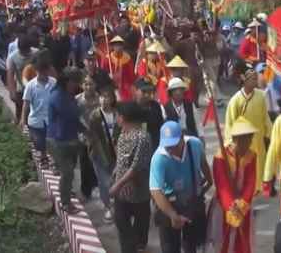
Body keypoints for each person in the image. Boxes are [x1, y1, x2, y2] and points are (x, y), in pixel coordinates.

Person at [150, 121, 213, 253]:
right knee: (170, 247)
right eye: (167, 146)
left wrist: (209, 180)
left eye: (173, 145)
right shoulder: (159, 158)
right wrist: (173, 215)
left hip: (191, 203)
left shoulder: (195, 144)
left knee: (192, 245)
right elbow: (156, 191)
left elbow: (203, 163)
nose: (170, 149)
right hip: (169, 205)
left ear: (182, 138)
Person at [208, 118, 258, 253]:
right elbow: (222, 185)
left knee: (243, 243)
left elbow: (250, 182)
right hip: (225, 208)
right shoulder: (220, 157)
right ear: (236, 139)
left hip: (243, 207)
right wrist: (231, 206)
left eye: (250, 138)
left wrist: (242, 204)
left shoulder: (251, 155)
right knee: (223, 243)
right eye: (246, 139)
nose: (249, 143)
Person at [110, 102, 151, 253]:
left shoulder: (142, 137)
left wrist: (118, 184)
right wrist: (116, 170)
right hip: (122, 192)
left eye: (117, 116)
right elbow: (122, 159)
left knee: (140, 227)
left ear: (123, 117)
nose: (116, 119)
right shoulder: (123, 134)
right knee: (121, 224)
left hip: (138, 192)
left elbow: (136, 166)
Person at [225, 68, 272, 192]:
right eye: (252, 79)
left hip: (258, 138)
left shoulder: (260, 96)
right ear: (244, 80)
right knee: (245, 166)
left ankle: (257, 187)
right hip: (243, 140)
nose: (255, 82)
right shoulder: (235, 101)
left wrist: (269, 133)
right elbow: (230, 123)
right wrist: (230, 141)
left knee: (259, 163)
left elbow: (265, 116)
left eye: (256, 79)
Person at [47, 67, 84, 214]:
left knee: (69, 172)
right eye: (75, 82)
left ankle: (66, 192)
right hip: (58, 140)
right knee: (67, 172)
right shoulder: (57, 96)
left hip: (70, 139)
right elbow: (71, 116)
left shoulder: (69, 95)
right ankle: (65, 203)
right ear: (67, 81)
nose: (77, 85)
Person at [86, 78, 120, 222]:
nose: (105, 100)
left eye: (108, 96)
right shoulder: (95, 116)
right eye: (102, 96)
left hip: (116, 153)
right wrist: (105, 160)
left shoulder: (118, 114)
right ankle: (108, 207)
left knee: (117, 181)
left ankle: (118, 206)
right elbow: (95, 140)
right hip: (100, 155)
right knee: (105, 182)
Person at [21, 53, 56, 168]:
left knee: (53, 142)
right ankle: (43, 157)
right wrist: (23, 120)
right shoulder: (30, 86)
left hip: (51, 119)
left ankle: (54, 162)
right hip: (36, 120)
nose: (42, 74)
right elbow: (26, 104)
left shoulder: (54, 83)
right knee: (39, 143)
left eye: (44, 70)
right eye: (39, 71)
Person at [76, 74, 99, 200]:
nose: (88, 87)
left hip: (97, 138)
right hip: (83, 137)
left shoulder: (100, 100)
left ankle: (97, 185)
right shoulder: (77, 100)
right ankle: (86, 191)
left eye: (91, 84)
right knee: (84, 164)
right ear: (82, 85)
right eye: (86, 84)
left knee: (97, 163)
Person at [6, 34, 38, 124]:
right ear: (19, 49)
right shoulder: (12, 57)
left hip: (36, 89)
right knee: (20, 113)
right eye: (23, 52)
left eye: (27, 51)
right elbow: (10, 75)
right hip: (21, 90)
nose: (25, 54)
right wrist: (12, 92)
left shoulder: (36, 53)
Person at [101, 35, 136, 101]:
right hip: (111, 86)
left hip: (124, 87)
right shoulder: (107, 58)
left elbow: (131, 76)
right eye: (116, 45)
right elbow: (102, 73)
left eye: (120, 45)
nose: (118, 47)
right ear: (113, 46)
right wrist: (108, 76)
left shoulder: (127, 58)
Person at [134, 77, 164, 149]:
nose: (147, 95)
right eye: (144, 91)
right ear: (136, 91)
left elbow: (161, 125)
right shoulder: (132, 109)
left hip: (157, 145)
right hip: (140, 149)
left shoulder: (155, 106)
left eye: (150, 91)